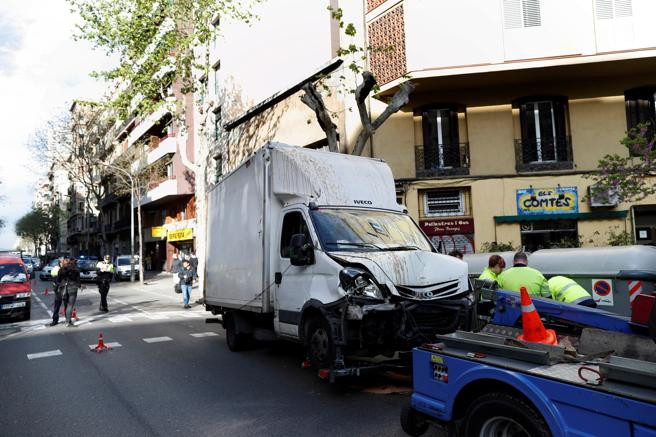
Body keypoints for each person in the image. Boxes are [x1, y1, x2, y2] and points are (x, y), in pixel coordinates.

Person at [58, 258, 81, 327]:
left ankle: (68, 320)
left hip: (64, 289)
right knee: (70, 305)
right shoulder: (76, 270)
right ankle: (68, 321)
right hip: (73, 288)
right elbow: (78, 281)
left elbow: (58, 280)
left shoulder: (61, 270)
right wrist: (79, 286)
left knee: (66, 305)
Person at [47, 258, 64, 327]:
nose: (65, 263)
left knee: (66, 304)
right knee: (57, 305)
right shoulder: (56, 269)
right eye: (63, 262)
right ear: (60, 263)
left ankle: (68, 320)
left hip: (62, 288)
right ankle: (55, 320)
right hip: (59, 289)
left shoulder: (64, 269)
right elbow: (55, 280)